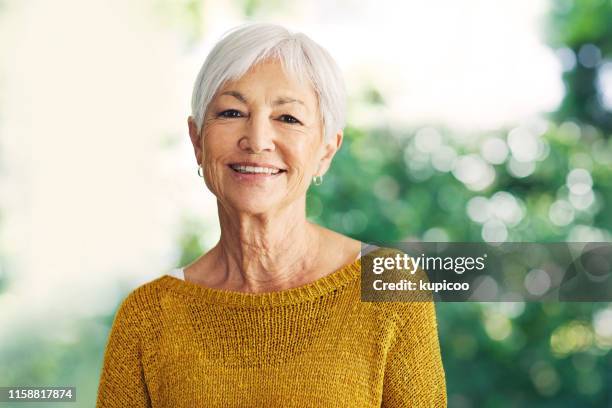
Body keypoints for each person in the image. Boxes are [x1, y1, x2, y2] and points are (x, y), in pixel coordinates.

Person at [96, 22, 446, 407]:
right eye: (231, 112)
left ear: (326, 150)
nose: (257, 140)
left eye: (288, 118)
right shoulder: (148, 317)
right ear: (197, 140)